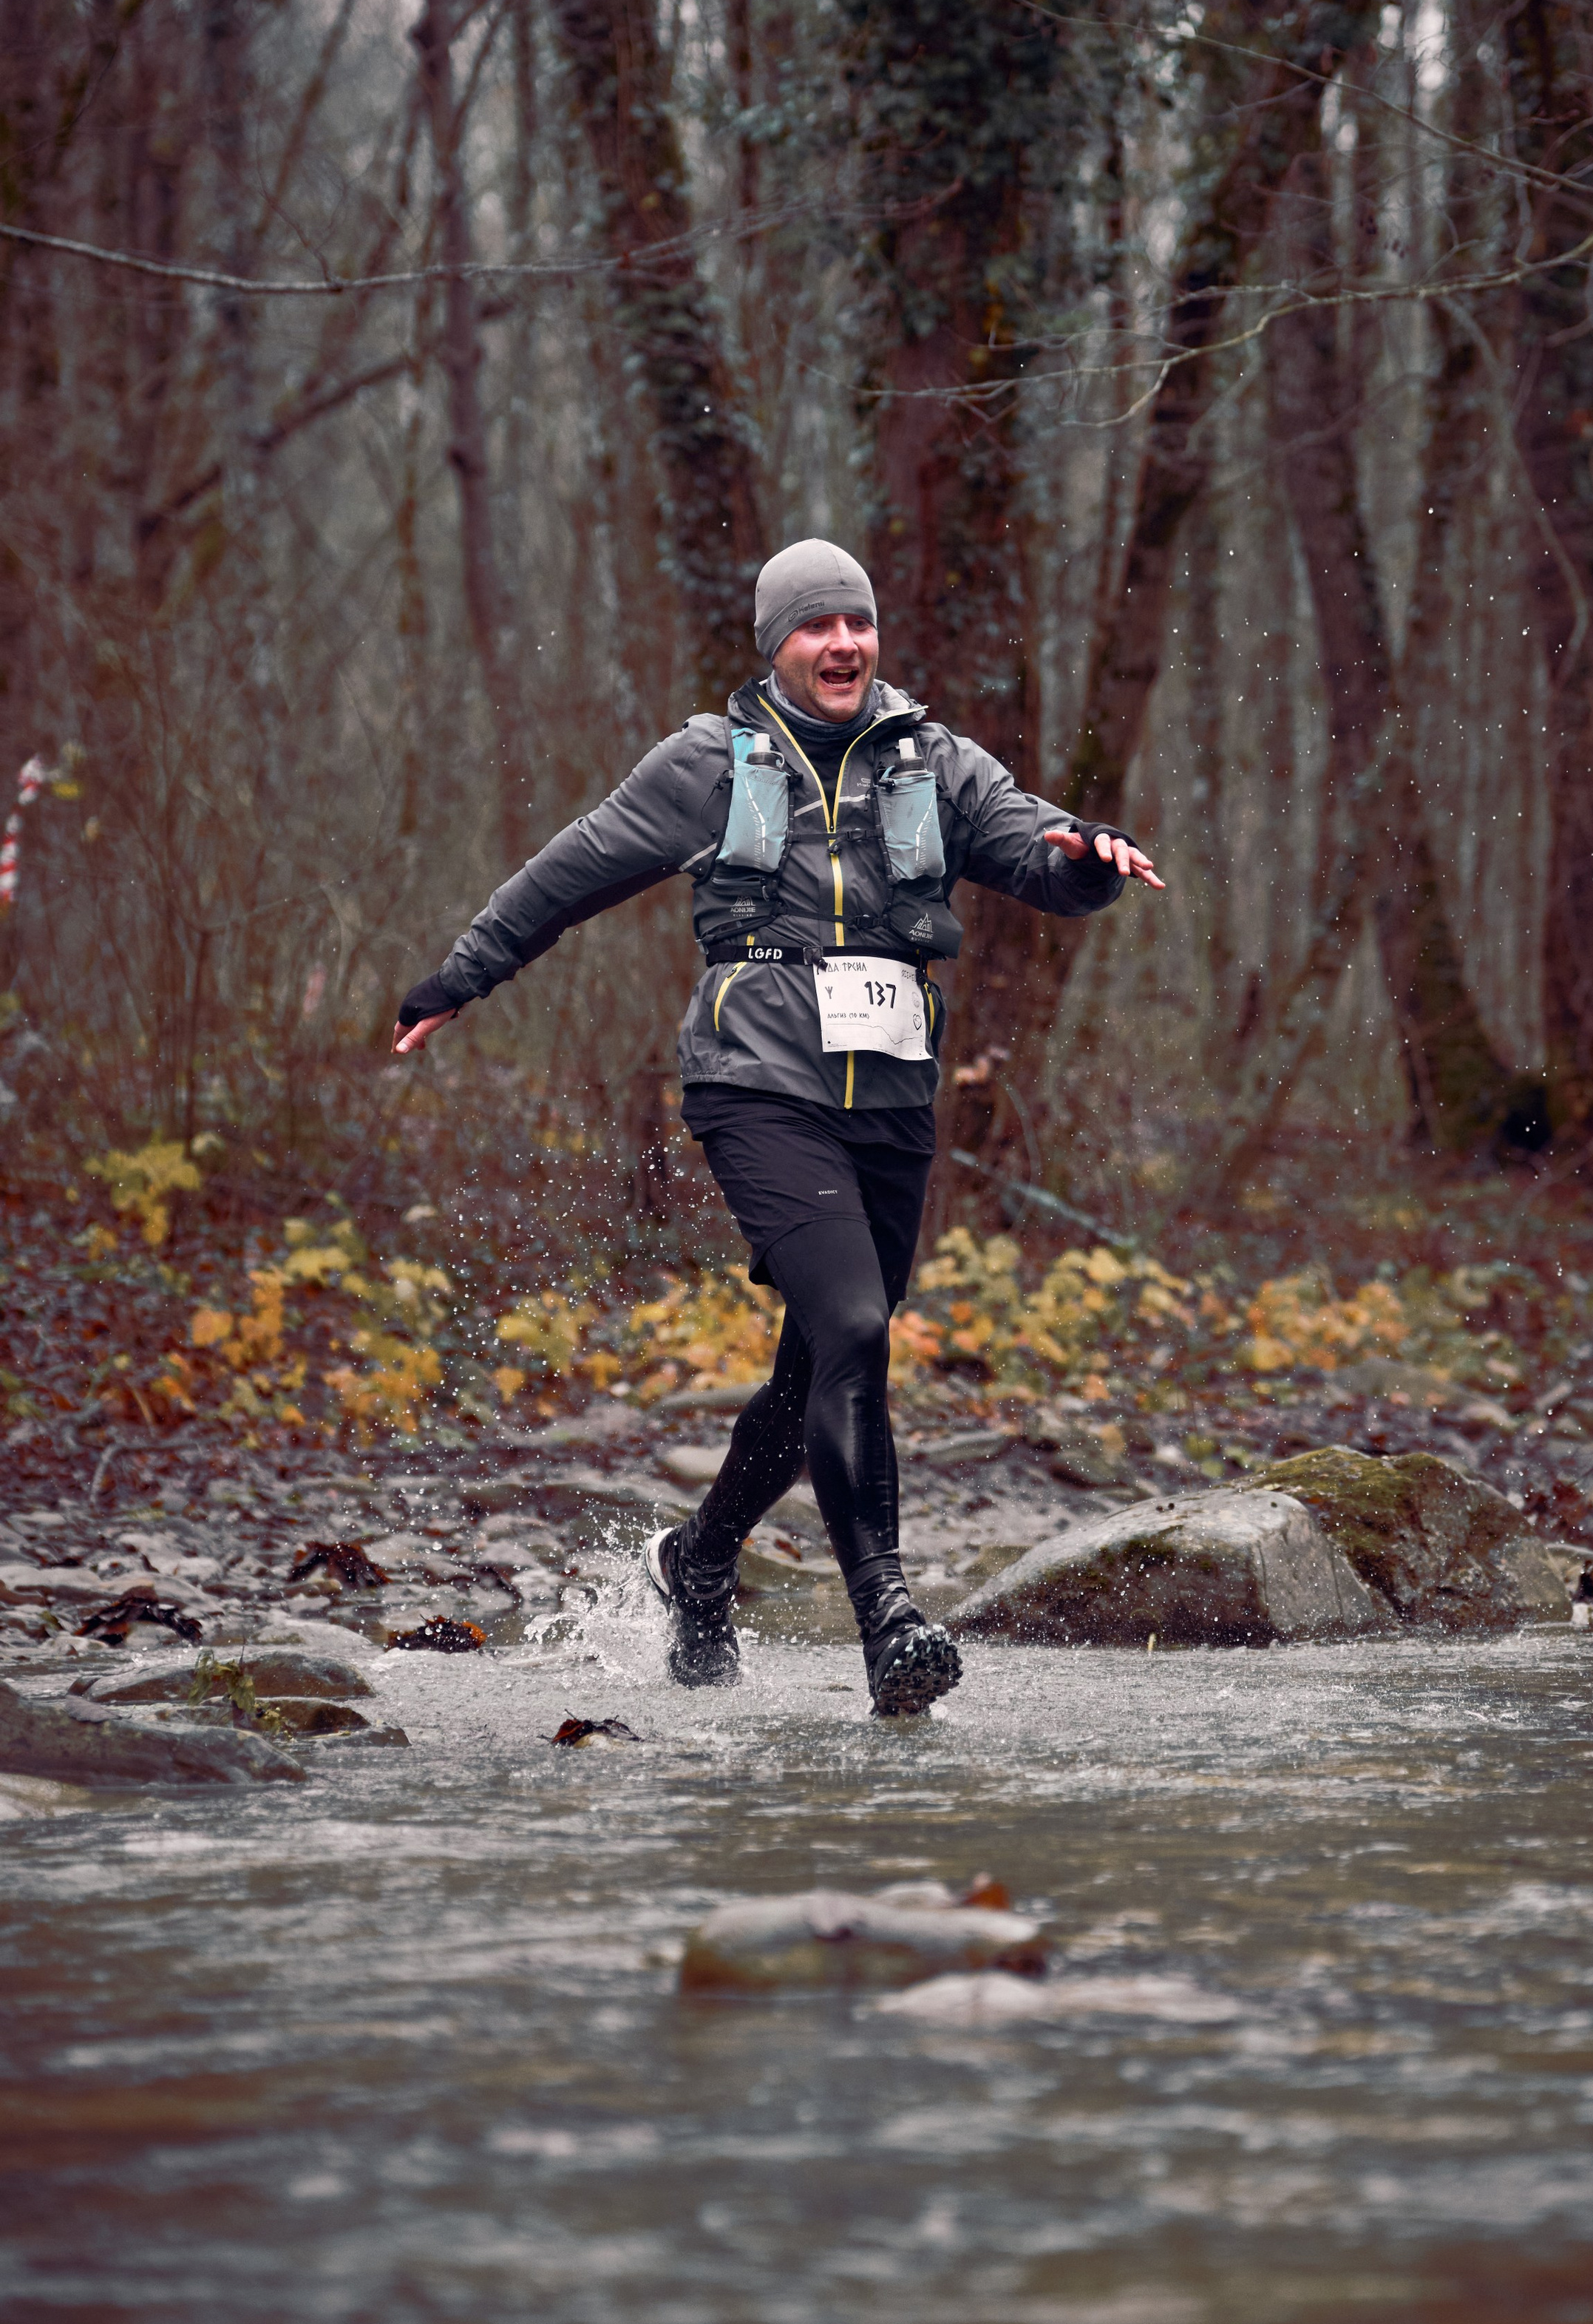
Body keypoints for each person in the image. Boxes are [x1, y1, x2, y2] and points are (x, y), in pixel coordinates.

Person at [393, 540, 1162, 1715]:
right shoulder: (709, 763)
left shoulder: (937, 761)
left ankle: (701, 1561)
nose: (843, 643)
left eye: (858, 622)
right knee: (855, 1327)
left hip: (891, 1095)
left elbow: (1038, 853)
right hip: (757, 1085)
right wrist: (462, 975)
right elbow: (570, 873)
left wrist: (1090, 859)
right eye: (817, 626)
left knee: (821, 1363)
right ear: (776, 646)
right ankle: (888, 1621)